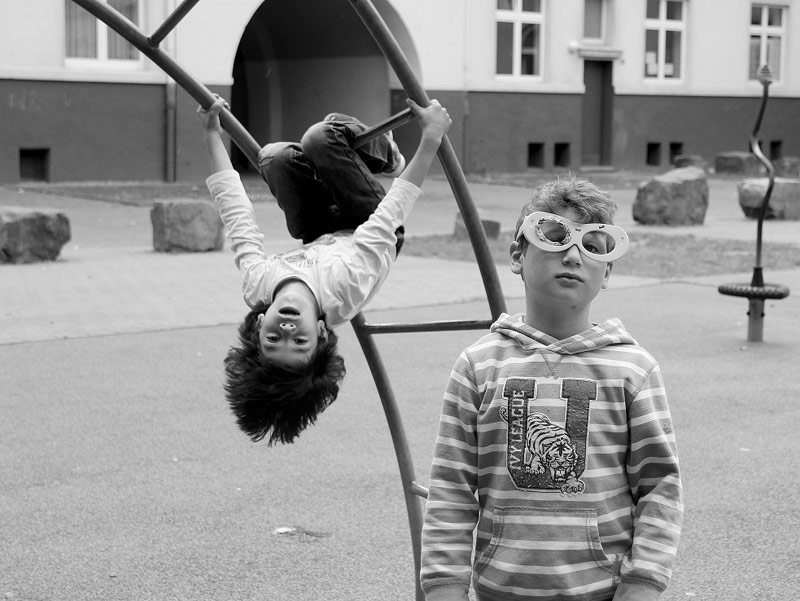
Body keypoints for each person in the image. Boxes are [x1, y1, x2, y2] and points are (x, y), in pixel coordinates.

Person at [419, 177, 683, 601]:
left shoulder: (633, 370)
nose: (575, 254)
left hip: (601, 591)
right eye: (556, 237)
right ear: (518, 255)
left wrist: (642, 584)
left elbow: (658, 486)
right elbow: (451, 485)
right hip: (499, 590)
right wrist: (445, 586)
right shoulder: (478, 366)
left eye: (594, 246)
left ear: (608, 271)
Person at [198, 95, 451, 445]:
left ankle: (335, 162)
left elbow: (236, 213)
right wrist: (431, 141)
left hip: (319, 234)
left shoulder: (257, 286)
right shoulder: (344, 289)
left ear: (257, 326)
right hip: (369, 228)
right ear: (320, 331)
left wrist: (212, 132)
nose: (287, 329)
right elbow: (388, 216)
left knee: (274, 157)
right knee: (322, 137)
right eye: (299, 341)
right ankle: (387, 156)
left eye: (274, 339)